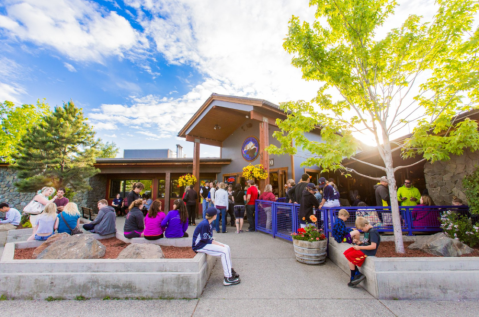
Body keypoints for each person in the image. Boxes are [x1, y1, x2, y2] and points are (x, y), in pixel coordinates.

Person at [192, 207, 240, 286]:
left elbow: (208, 238)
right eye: (216, 214)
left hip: (204, 243)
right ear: (214, 216)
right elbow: (205, 240)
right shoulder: (205, 224)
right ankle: (227, 278)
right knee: (223, 252)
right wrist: (218, 244)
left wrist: (219, 244)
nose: (217, 214)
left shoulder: (208, 223)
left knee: (226, 247)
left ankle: (230, 270)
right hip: (199, 245)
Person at [343, 217, 381, 288]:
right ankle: (356, 273)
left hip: (368, 252)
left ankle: (353, 276)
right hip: (363, 248)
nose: (362, 230)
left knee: (350, 256)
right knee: (347, 253)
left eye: (362, 229)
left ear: (366, 225)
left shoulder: (372, 232)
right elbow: (366, 242)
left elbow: (373, 246)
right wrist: (359, 242)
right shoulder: (367, 231)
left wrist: (360, 247)